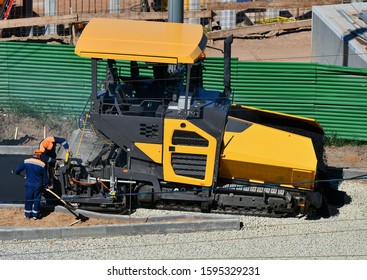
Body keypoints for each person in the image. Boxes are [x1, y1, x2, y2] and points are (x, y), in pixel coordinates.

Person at [14, 149, 48, 220]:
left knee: (28, 198)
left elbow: (17, 170)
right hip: (38, 184)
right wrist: (46, 185)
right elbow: (45, 177)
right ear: (40, 155)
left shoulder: (26, 161)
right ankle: (35, 215)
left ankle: (27, 214)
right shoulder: (42, 164)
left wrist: (16, 172)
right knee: (36, 199)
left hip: (29, 183)